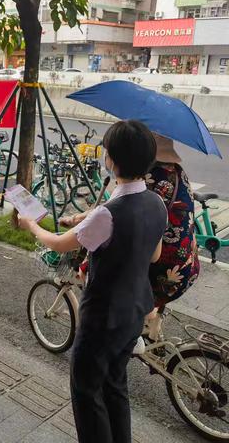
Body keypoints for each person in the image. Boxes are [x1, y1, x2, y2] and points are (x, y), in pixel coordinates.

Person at [18, 120, 167, 443]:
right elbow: (154, 255)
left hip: (103, 318)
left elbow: (58, 243)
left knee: (87, 392)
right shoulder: (156, 203)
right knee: (115, 385)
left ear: (111, 160)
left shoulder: (108, 215)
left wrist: (30, 224)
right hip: (134, 310)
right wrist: (84, 219)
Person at [145, 134, 200, 340]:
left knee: (121, 281)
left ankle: (127, 340)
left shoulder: (152, 177)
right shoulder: (179, 173)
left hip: (166, 271)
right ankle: (154, 331)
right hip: (189, 265)